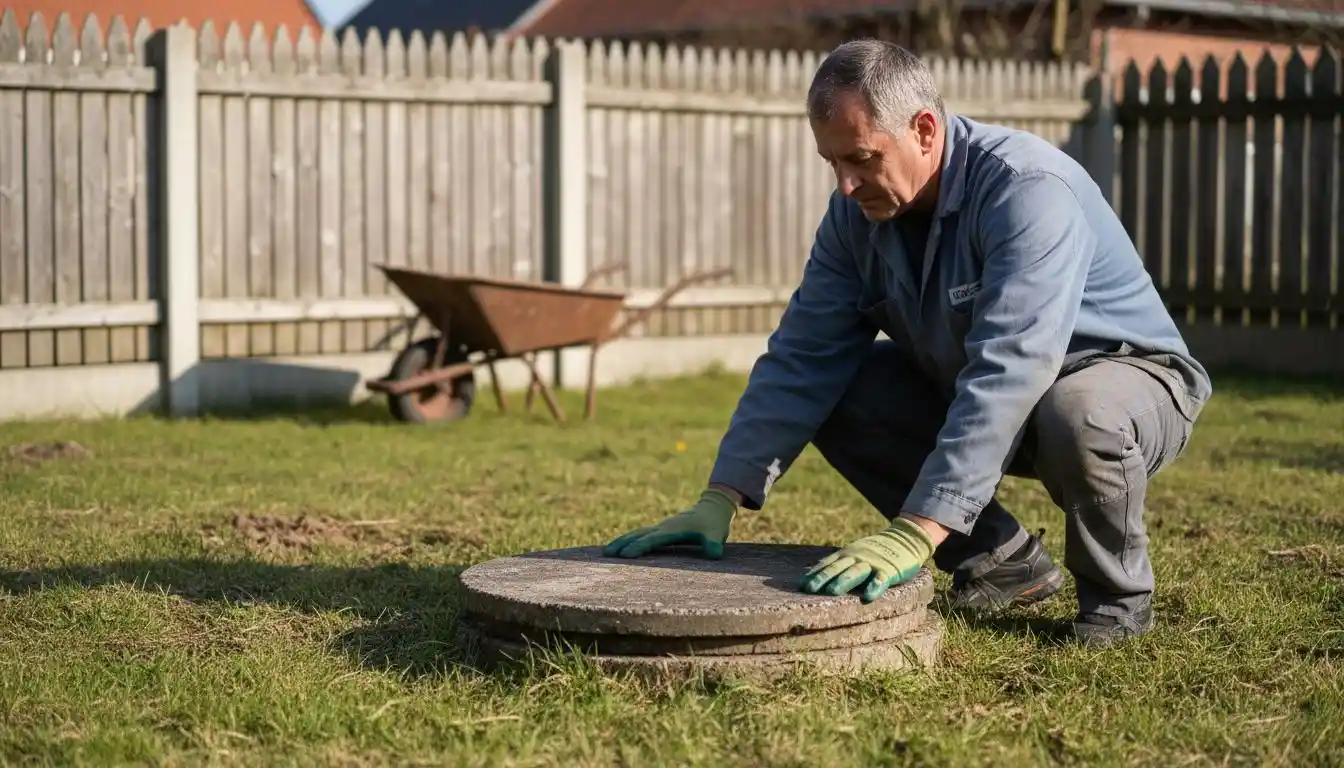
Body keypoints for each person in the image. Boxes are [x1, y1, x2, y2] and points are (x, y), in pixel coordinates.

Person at [602, 39, 1212, 647]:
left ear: (924, 130)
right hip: (989, 389)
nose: (845, 185)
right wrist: (721, 496)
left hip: (1126, 380)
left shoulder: (1027, 189)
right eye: (832, 163)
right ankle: (1002, 563)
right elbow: (804, 356)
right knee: (842, 387)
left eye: (861, 158)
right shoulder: (857, 218)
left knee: (1080, 414)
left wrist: (919, 528)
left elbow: (1013, 366)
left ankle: (1116, 601)